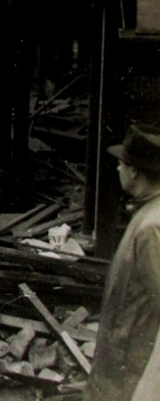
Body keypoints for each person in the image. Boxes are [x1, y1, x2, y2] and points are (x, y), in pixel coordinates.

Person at [84, 123, 160, 401]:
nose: (117, 169)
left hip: (131, 367)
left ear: (134, 170)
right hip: (122, 358)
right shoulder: (146, 213)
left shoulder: (152, 227)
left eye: (121, 163)